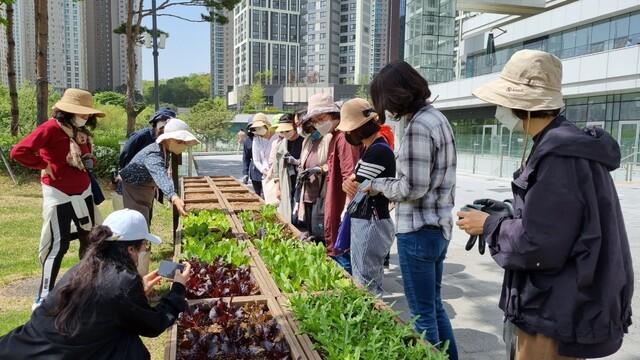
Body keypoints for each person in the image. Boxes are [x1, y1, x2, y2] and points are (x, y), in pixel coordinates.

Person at [456, 50, 633, 360]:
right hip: (564, 303)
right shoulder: (569, 146)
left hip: (552, 309)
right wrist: (508, 213)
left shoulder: (558, 156)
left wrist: (488, 225)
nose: (501, 110)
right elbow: (560, 222)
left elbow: (538, 244)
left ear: (520, 105)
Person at [0, 209, 191, 360]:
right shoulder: (123, 282)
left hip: (22, 347)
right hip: (53, 355)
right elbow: (153, 325)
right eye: (144, 246)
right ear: (130, 249)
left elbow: (102, 303)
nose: (143, 251)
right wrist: (177, 290)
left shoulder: (83, 267)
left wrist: (137, 290)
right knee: (132, 349)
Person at [366, 60, 458, 359]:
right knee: (433, 306)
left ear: (395, 96)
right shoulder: (437, 118)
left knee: (422, 317)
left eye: (384, 102)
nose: (386, 110)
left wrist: (378, 185)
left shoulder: (419, 126)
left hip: (419, 230)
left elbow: (411, 188)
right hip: (437, 228)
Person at [10, 88, 105, 307]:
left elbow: (85, 157)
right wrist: (43, 165)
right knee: (57, 245)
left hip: (84, 193)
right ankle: (44, 296)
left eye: (88, 114)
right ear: (68, 111)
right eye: (83, 113)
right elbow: (18, 152)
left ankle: (88, 287)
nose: (87, 117)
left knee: (89, 241)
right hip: (59, 194)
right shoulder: (50, 128)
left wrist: (89, 158)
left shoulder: (79, 132)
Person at [119, 118, 198, 274]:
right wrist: (174, 197)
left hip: (144, 189)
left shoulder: (164, 150)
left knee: (143, 228)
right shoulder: (154, 153)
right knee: (138, 232)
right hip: (133, 189)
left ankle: (141, 274)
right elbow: (161, 176)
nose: (184, 146)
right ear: (172, 139)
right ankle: (138, 279)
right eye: (182, 142)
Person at [339, 98, 395, 296]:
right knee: (365, 278)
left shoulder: (378, 150)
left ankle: (371, 323)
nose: (347, 134)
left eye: (349, 130)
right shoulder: (371, 148)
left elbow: (356, 186)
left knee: (366, 284)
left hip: (371, 221)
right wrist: (350, 182)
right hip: (366, 219)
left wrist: (350, 182)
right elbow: (353, 182)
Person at [306, 93, 360, 272]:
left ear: (334, 115)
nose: (317, 124)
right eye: (314, 121)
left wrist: (346, 213)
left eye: (321, 118)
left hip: (342, 219)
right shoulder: (335, 136)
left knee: (345, 268)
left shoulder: (344, 138)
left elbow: (350, 177)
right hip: (336, 214)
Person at [114, 108, 176, 211]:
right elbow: (125, 156)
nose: (164, 132)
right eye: (162, 128)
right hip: (132, 184)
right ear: (155, 125)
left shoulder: (167, 142)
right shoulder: (140, 137)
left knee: (146, 212)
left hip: (147, 184)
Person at [295, 110, 332, 240]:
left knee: (320, 231)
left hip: (321, 192)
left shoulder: (328, 138)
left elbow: (333, 164)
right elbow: (302, 161)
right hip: (307, 192)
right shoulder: (308, 140)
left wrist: (319, 169)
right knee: (310, 228)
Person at [273, 113, 304, 222]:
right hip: (286, 181)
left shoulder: (304, 142)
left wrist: (297, 162)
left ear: (295, 127)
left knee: (300, 209)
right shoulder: (280, 146)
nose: (285, 134)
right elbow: (276, 168)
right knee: (287, 209)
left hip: (301, 181)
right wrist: (277, 188)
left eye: (287, 131)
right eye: (282, 132)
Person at [249, 113, 276, 198]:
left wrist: (272, 170)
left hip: (277, 171)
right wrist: (264, 171)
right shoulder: (256, 139)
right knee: (269, 199)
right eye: (256, 129)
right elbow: (256, 159)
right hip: (265, 174)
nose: (258, 130)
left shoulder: (277, 136)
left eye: (260, 128)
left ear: (267, 125)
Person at [76, 127, 105, 206]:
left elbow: (93, 162)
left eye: (83, 134)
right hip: (79, 172)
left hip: (88, 171)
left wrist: (91, 158)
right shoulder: (75, 147)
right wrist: (84, 158)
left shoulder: (87, 145)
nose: (82, 137)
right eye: (79, 135)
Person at [263, 115, 283, 205]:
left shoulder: (285, 141)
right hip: (272, 172)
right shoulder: (275, 141)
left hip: (278, 173)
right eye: (275, 128)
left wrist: (271, 171)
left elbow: (277, 160)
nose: (277, 130)